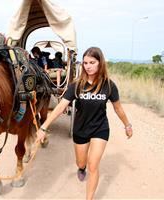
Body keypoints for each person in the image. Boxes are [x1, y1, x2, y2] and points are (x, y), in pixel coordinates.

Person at [36, 47, 133, 200]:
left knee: (93, 165)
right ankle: (81, 169)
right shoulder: (76, 85)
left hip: (100, 129)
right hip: (80, 129)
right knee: (82, 163)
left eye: (92, 62)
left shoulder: (109, 85)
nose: (88, 66)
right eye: (86, 63)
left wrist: (127, 125)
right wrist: (44, 126)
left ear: (100, 63)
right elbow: (61, 107)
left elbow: (118, 107)